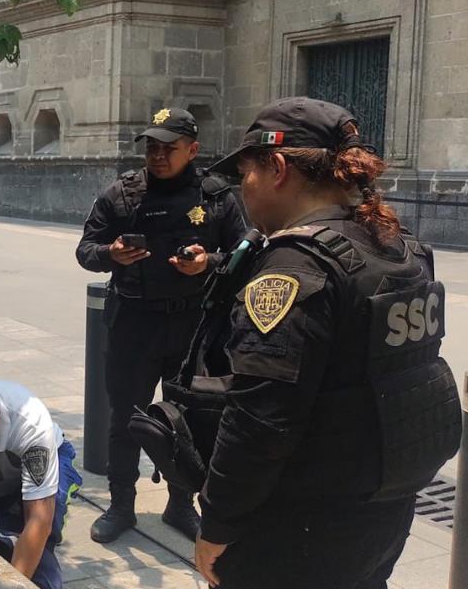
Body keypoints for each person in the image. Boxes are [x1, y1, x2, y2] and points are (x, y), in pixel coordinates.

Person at [181, 97, 461, 589]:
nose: (243, 191)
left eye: (246, 173)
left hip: (298, 527)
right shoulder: (403, 246)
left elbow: (261, 420)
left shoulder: (296, 266)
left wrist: (218, 524)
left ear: (278, 168)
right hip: (383, 515)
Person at [74, 107, 246, 543]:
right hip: (133, 323)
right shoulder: (123, 194)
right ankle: (121, 506)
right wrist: (111, 253)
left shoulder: (217, 197)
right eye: (151, 147)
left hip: (191, 328)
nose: (157, 155)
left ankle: (179, 504)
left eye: (168, 148)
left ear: (193, 150)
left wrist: (210, 263)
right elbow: (85, 250)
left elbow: (246, 255)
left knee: (188, 419)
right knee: (124, 419)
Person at [0, 374, 82, 589]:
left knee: (40, 532)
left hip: (48, 458)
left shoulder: (29, 420)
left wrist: (14, 584)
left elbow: (39, 520)